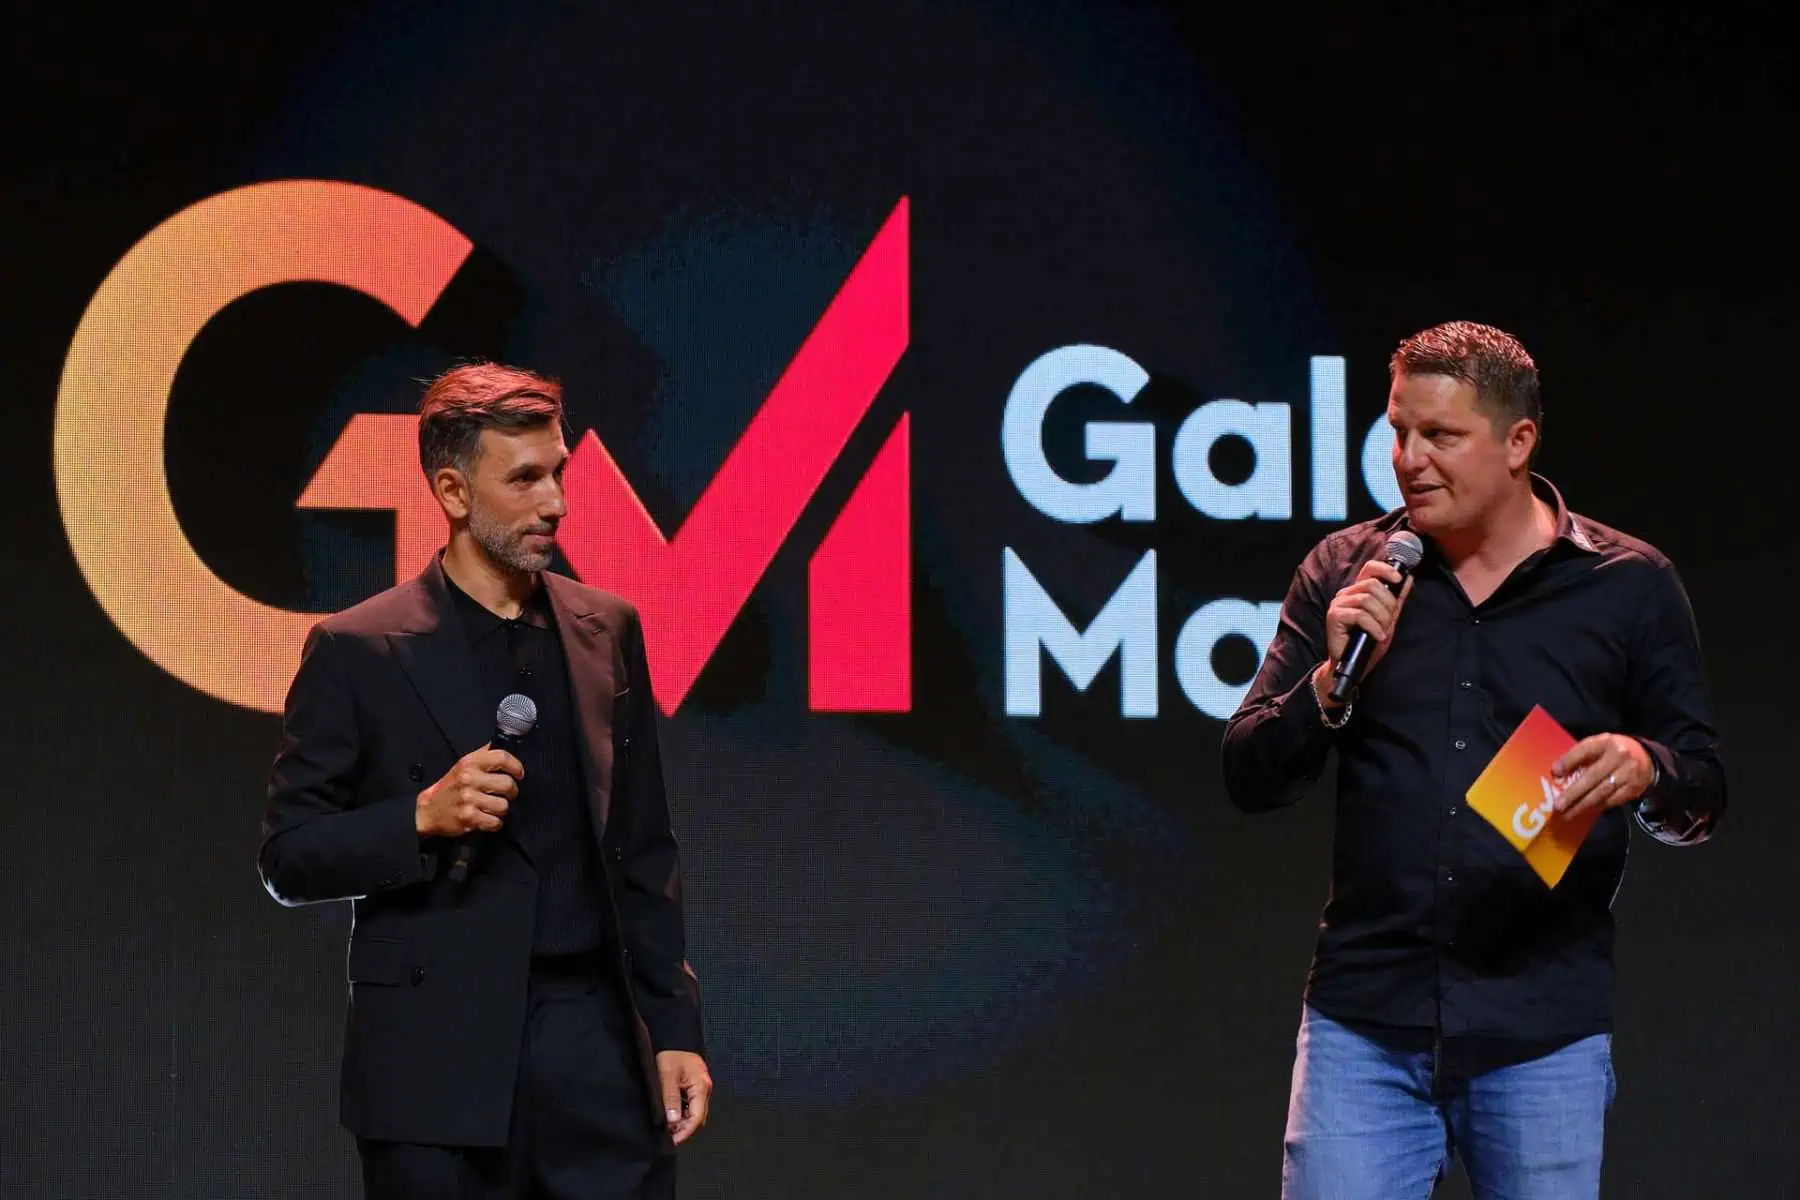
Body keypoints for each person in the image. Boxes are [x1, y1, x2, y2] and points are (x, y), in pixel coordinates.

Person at [1222, 321, 1725, 1199]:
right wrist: (1329, 688)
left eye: (1440, 436)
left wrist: (1648, 769)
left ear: (1518, 442)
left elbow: (1703, 787)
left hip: (1541, 1033)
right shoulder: (1348, 573)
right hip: (1363, 1028)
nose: (1409, 460)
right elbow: (1250, 773)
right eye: (1398, 431)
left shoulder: (1628, 586)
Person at [260, 362, 710, 1198]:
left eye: (559, 473)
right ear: (454, 491)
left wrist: (674, 1026)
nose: (556, 503)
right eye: (526, 479)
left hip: (596, 1052)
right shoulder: (359, 648)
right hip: (435, 1058)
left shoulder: (606, 629)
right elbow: (289, 856)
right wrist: (419, 817)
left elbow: (645, 848)